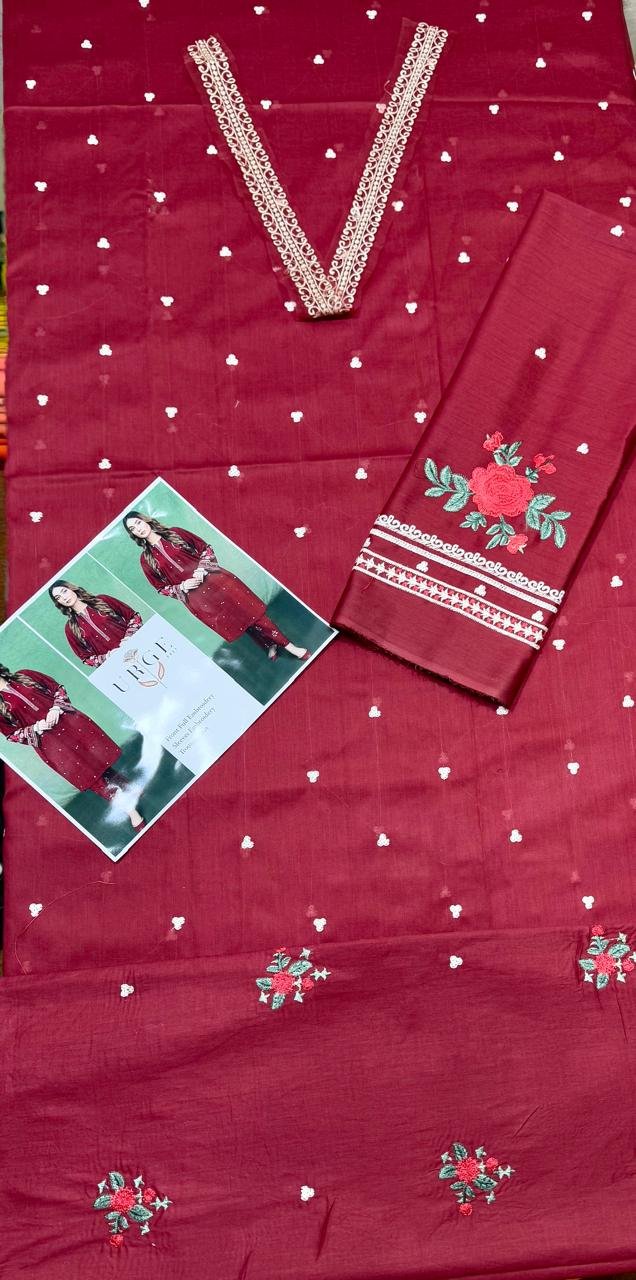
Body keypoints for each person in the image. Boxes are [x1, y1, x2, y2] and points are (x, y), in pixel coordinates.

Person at [122, 512, 309, 661]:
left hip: (218, 581)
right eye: (133, 528)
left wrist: (201, 570)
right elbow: (160, 587)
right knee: (238, 621)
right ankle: (269, 645)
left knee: (252, 613)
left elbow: (206, 549)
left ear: (146, 520)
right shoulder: (146, 560)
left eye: (138, 523)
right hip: (198, 599)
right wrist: (183, 586)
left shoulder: (176, 533)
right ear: (132, 534)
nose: (138, 528)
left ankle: (290, 647)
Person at [0, 664, 144, 830]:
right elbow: (12, 734)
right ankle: (130, 810)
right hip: (50, 742)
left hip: (69, 723)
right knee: (87, 774)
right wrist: (37, 727)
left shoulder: (24, 675)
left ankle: (129, 787)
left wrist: (56, 708)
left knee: (95, 763)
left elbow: (57, 688)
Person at [48, 580, 142, 667]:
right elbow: (86, 658)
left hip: (137, 645)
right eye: (58, 598)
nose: (64, 598)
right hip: (117, 665)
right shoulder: (70, 628)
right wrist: (108, 657)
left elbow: (134, 617)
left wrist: (129, 638)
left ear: (72, 588)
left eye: (64, 591)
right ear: (58, 602)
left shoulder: (102, 600)